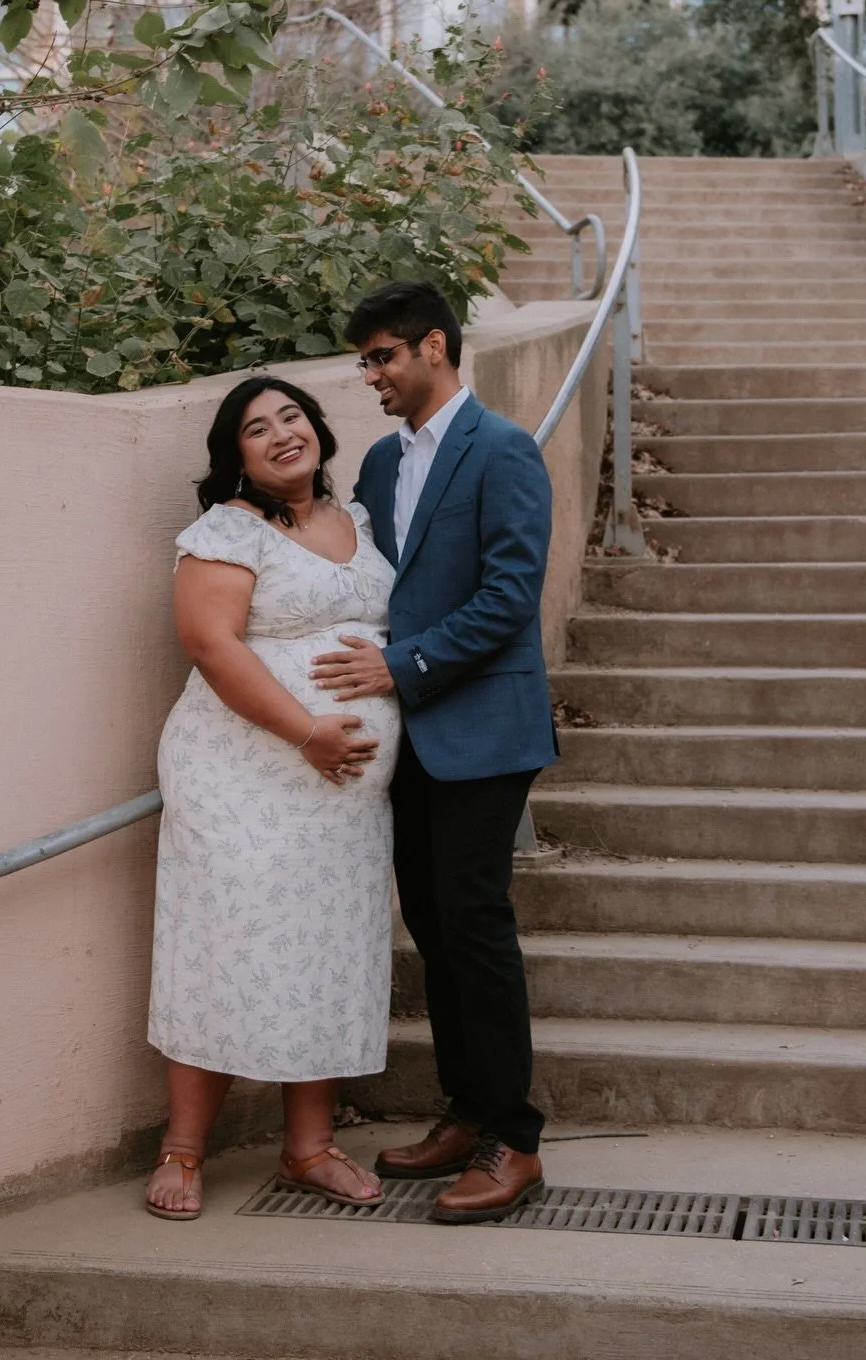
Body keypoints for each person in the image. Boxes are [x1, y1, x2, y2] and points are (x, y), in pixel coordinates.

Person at [312, 281, 556, 1225]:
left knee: (477, 926)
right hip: (404, 738)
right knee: (436, 930)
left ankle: (515, 1140)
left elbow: (508, 596)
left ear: (435, 349)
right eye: (365, 359)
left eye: (382, 356)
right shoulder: (378, 463)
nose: (368, 375)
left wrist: (400, 665)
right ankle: (465, 1112)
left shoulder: (504, 450)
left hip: (484, 731)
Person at [144, 377, 400, 1221]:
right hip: (243, 778)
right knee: (223, 944)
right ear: (238, 458)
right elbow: (209, 644)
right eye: (257, 429)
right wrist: (307, 732)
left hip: (341, 799)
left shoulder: (360, 522)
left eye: (292, 416)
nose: (282, 434)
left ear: (318, 428)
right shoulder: (225, 531)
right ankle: (183, 1149)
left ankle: (309, 1147)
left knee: (322, 950)